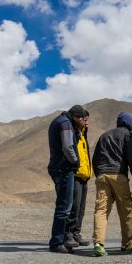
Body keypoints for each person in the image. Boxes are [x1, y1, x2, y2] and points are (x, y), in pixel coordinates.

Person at [91, 111, 132, 256]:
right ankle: (127, 244)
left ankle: (99, 244)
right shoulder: (129, 135)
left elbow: (95, 159)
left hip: (102, 176)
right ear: (129, 123)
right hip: (119, 176)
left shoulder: (104, 135)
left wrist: (99, 174)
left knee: (101, 210)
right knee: (125, 210)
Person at [47, 104, 86, 253]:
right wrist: (76, 161)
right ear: (76, 117)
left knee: (63, 206)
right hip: (63, 168)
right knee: (64, 207)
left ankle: (61, 240)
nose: (83, 122)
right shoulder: (66, 124)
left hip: (58, 167)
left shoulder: (62, 121)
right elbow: (68, 147)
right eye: (82, 119)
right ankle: (56, 242)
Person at [65, 109, 92, 246]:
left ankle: (76, 233)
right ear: (79, 119)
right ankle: (68, 234)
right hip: (76, 174)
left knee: (81, 208)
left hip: (84, 176)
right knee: (74, 206)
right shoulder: (74, 134)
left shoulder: (83, 136)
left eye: (87, 120)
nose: (87, 123)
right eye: (85, 120)